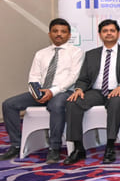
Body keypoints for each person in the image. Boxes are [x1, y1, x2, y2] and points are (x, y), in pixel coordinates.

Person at [1, 18, 83, 163]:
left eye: (63, 32)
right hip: (41, 92)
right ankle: (16, 145)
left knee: (56, 105)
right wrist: (37, 93)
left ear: (69, 35)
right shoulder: (41, 54)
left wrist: (52, 92)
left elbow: (73, 77)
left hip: (64, 92)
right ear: (49, 34)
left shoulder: (76, 52)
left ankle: (54, 148)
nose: (59, 34)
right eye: (55, 31)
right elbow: (34, 76)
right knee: (9, 104)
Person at [63, 19, 120, 165]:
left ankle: (110, 146)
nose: (109, 33)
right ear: (100, 34)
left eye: (112, 31)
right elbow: (83, 78)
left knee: (116, 103)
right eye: (105, 31)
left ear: (118, 33)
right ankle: (78, 148)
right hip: (95, 92)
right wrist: (79, 89)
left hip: (117, 91)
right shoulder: (91, 54)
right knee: (73, 102)